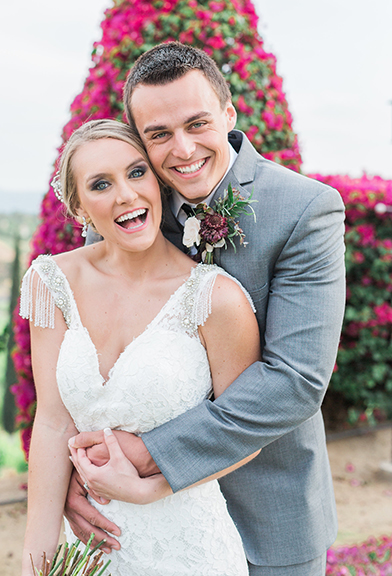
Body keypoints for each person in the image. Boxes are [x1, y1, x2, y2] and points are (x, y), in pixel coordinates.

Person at [66, 42, 346, 576]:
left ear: (229, 113)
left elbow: (296, 381)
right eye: (159, 134)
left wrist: (149, 453)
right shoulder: (128, 209)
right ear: (139, 140)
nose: (183, 148)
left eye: (197, 123)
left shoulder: (306, 210)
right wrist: (70, 479)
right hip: (139, 520)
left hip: (269, 515)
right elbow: (79, 358)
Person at [19, 119, 261, 576]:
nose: (126, 195)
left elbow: (244, 435)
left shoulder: (215, 298)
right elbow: (52, 423)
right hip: (86, 552)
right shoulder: (51, 282)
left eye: (136, 173)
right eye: (100, 184)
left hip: (189, 551)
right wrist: (37, 560)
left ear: (158, 180)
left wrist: (151, 488)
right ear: (80, 208)